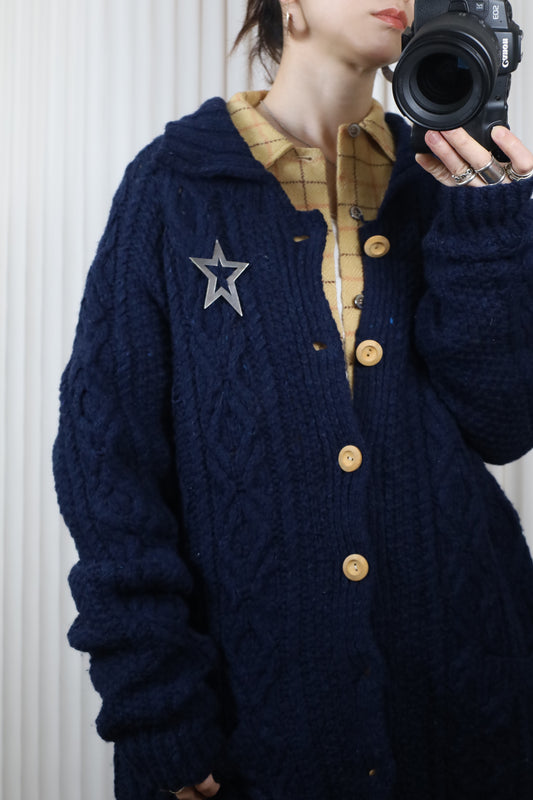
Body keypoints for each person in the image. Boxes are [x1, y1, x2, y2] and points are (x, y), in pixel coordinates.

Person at [53, 1, 533, 798]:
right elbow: (108, 465)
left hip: (467, 697)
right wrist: (155, 709)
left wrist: (485, 222)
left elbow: (500, 425)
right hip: (254, 715)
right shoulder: (173, 188)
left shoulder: (444, 179)